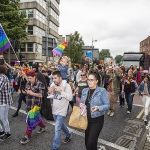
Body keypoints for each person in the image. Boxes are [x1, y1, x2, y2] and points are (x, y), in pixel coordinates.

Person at [80, 72, 110, 150]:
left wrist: (98, 108)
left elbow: (107, 105)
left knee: (90, 143)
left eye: (92, 80)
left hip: (97, 120)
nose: (89, 82)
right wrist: (81, 105)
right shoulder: (85, 91)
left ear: (96, 81)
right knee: (87, 143)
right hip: (86, 120)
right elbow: (82, 103)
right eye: (88, 80)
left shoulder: (102, 91)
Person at [20, 70, 46, 144]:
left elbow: (41, 95)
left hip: (35, 106)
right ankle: (43, 126)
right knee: (37, 118)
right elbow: (27, 92)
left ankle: (27, 136)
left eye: (30, 78)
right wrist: (25, 92)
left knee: (30, 121)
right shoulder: (28, 83)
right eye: (28, 78)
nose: (29, 80)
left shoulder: (40, 84)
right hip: (28, 104)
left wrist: (32, 93)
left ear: (34, 77)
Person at [48, 71, 72, 150]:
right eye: (53, 78)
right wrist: (50, 93)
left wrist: (61, 91)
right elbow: (51, 95)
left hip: (62, 111)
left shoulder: (67, 86)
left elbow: (70, 98)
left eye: (55, 78)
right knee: (61, 125)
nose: (54, 80)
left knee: (57, 129)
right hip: (54, 110)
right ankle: (68, 134)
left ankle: (55, 147)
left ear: (60, 78)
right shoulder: (53, 85)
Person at [0, 65, 13, 140]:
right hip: (2, 100)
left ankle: (8, 132)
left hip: (4, 101)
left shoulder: (3, 78)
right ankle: (1, 131)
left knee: (3, 118)